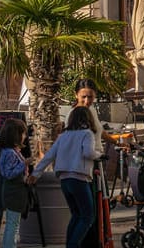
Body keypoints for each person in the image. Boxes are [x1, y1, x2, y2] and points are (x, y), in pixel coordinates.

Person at [51, 106, 102, 248]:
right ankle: (73, 245)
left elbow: (50, 155)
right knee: (88, 216)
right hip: (79, 179)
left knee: (75, 214)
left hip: (64, 180)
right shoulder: (87, 134)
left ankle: (70, 244)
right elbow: (88, 153)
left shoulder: (64, 136)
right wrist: (100, 155)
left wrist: (36, 174)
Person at [0, 118, 36, 248]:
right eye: (23, 133)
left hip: (16, 192)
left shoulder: (12, 152)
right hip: (13, 193)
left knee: (14, 224)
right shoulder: (10, 153)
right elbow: (8, 174)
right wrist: (25, 163)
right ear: (16, 135)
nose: (25, 136)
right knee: (12, 224)